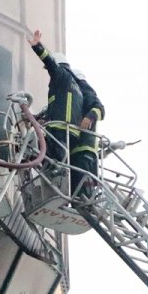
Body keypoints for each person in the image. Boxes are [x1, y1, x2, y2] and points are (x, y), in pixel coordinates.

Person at [27, 30, 83, 167]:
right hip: (71, 134)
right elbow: (59, 107)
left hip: (60, 130)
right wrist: (42, 119)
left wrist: (37, 47)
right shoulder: (73, 86)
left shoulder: (62, 75)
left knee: (47, 160)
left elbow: (51, 63)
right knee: (55, 164)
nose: (48, 70)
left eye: (47, 69)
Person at [69, 67, 105, 197]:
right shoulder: (74, 96)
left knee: (83, 192)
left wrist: (90, 116)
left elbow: (99, 108)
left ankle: (87, 209)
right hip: (75, 150)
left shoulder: (84, 89)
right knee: (74, 190)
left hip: (84, 149)